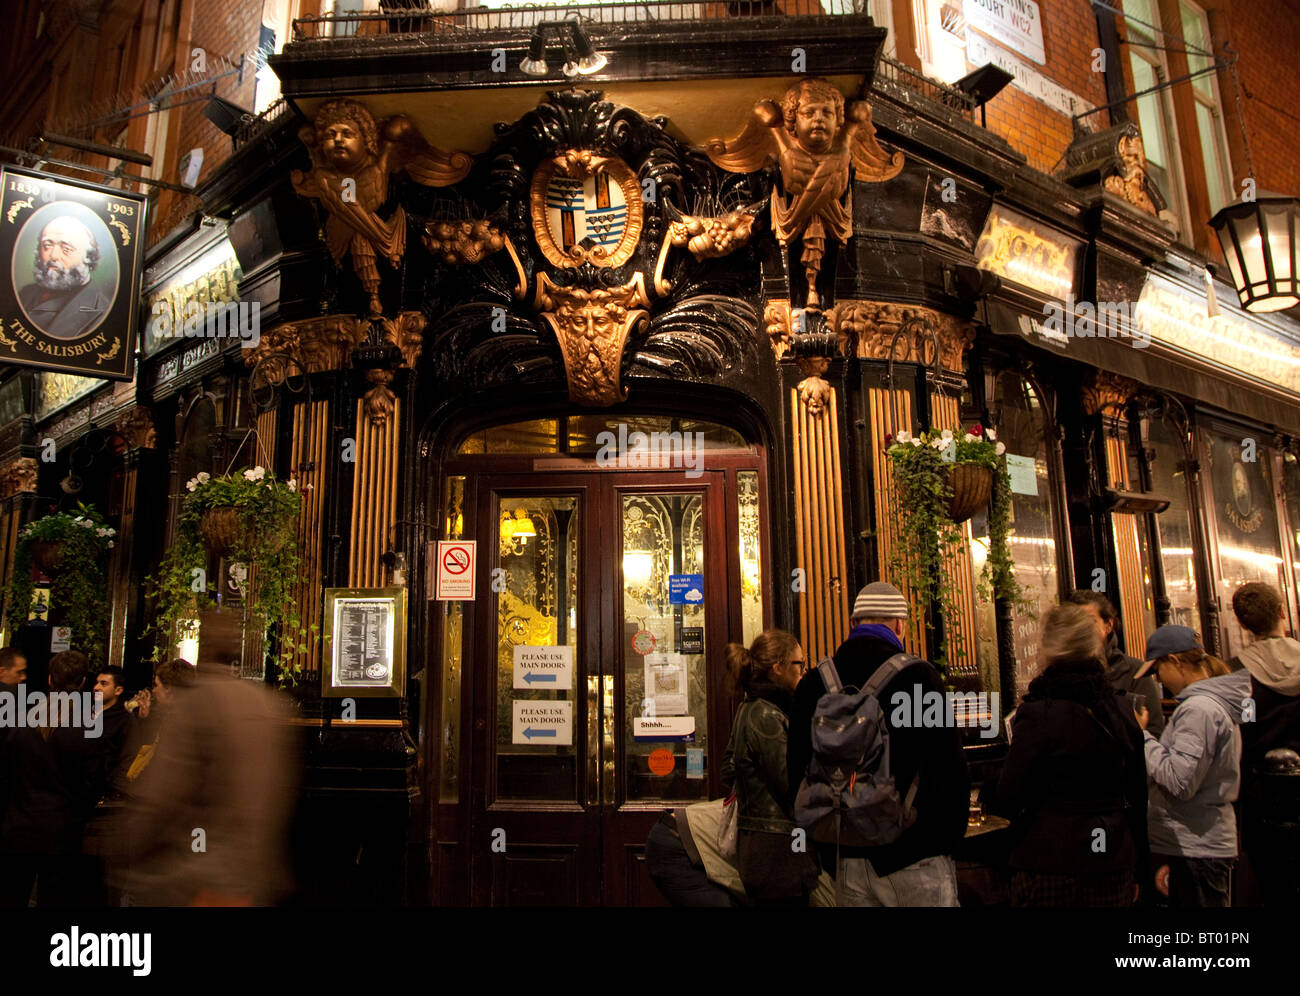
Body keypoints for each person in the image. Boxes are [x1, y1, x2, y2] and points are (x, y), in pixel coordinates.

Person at [788, 582, 969, 906]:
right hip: (915, 858)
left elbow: (795, 773)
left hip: (847, 860)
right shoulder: (921, 679)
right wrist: (947, 841)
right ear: (900, 624)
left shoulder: (814, 683)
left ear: (853, 624)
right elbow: (949, 772)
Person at [993, 603, 1148, 907]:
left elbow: (1009, 796)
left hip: (1052, 862)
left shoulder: (1040, 714)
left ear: (1048, 649)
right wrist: (1140, 869)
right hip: (1113, 862)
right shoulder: (1120, 711)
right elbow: (1138, 798)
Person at [123, 661, 295, 905]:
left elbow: (167, 791)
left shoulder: (187, 719)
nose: (154, 691)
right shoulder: (256, 705)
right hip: (236, 865)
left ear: (171, 689)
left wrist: (134, 843)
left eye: (157, 685)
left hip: (201, 861)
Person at [1138, 624, 1251, 907]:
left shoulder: (1199, 709)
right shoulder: (1205, 704)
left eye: (1157, 670)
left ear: (1174, 661)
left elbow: (1180, 781)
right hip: (1200, 844)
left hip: (1198, 847)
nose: (1158, 679)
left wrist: (1142, 736)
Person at [0, 650, 106, 907]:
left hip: (18, 828)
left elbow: (6, 773)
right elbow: (93, 785)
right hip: (62, 833)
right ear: (82, 682)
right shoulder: (86, 729)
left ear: (49, 680)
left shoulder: (20, 721)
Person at [721, 629, 818, 906]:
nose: (804, 669)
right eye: (799, 663)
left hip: (768, 851)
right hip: (778, 854)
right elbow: (792, 785)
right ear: (778, 668)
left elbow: (727, 769)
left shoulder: (751, 707)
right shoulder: (766, 714)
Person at [1229, 582, 1300, 905]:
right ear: (1283, 612)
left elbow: (1242, 730)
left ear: (1242, 624)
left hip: (1261, 798)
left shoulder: (1239, 673)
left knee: (1273, 887)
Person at [1068, 589, 1164, 737]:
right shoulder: (1062, 672)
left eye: (1090, 621)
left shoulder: (1134, 671)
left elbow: (1154, 730)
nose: (1083, 628)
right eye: (1076, 622)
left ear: (1108, 625)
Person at [18, 216, 111, 339]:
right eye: (47, 246)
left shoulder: (101, 311)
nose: (53, 255)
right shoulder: (25, 294)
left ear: (88, 256)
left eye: (66, 249)